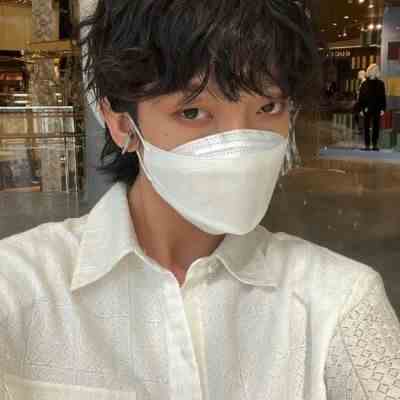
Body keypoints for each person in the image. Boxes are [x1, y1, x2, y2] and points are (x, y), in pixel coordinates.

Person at [0, 1, 399, 399]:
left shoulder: (337, 302)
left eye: (268, 107)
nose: (239, 146)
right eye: (193, 112)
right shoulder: (18, 290)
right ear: (122, 124)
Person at [359, 64, 387, 151]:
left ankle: (375, 144)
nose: (375, 71)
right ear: (369, 71)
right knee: (366, 127)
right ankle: (367, 145)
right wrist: (361, 109)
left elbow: (383, 97)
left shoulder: (381, 83)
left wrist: (383, 109)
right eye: (373, 70)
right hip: (366, 108)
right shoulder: (364, 83)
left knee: (376, 127)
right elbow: (361, 98)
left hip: (377, 108)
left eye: (376, 70)